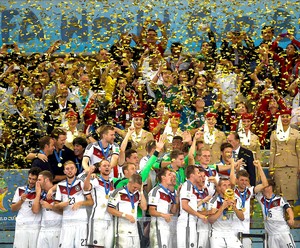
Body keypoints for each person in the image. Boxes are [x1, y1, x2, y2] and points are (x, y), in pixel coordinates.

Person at [54, 160, 94, 248]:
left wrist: (81, 203)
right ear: (64, 171)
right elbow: (55, 205)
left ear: (76, 170)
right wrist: (62, 204)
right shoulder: (60, 185)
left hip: (81, 222)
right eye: (67, 169)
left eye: (72, 168)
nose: (70, 170)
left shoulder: (81, 182)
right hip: (67, 223)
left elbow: (91, 201)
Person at [230, 160, 268, 248]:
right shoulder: (232, 191)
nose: (244, 182)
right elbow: (232, 182)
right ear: (237, 180)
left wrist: (259, 167)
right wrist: (232, 166)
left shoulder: (250, 191)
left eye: (246, 180)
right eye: (241, 180)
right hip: (232, 229)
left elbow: (265, 184)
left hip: (245, 229)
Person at [107, 174, 147, 248]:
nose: (135, 189)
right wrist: (125, 215)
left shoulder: (137, 193)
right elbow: (110, 209)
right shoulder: (118, 192)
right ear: (129, 182)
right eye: (134, 187)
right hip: (122, 231)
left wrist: (141, 191)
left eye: (137, 188)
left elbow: (144, 207)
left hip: (134, 231)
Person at [269, 108, 300, 202]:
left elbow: (299, 151)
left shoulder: (296, 133)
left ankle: (290, 215)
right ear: (279, 118)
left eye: (287, 116)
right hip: (278, 166)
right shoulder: (274, 134)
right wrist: (271, 167)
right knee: (280, 192)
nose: (285, 118)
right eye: (283, 117)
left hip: (293, 166)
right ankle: (281, 215)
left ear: (290, 117)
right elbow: (272, 151)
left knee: (291, 192)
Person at [256, 179, 296, 248]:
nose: (262, 188)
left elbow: (289, 209)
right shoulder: (260, 198)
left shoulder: (280, 199)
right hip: (271, 235)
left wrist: (291, 219)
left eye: (265, 186)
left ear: (270, 187)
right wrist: (259, 167)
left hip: (283, 232)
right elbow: (255, 188)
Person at [83, 160, 114, 248]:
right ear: (99, 169)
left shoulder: (112, 182)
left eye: (108, 165)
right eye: (104, 166)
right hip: (98, 218)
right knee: (98, 246)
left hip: (110, 218)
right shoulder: (96, 181)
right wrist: (89, 173)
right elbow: (86, 187)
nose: (107, 167)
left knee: (108, 246)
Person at [207, 178, 244, 248]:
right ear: (219, 187)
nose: (227, 187)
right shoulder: (213, 200)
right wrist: (222, 207)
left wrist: (235, 208)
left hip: (230, 233)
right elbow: (210, 220)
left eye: (229, 185)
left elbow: (242, 218)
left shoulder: (236, 199)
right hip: (217, 233)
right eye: (224, 185)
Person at [177, 165, 208, 248]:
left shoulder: (190, 186)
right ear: (192, 175)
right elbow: (184, 206)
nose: (199, 175)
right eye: (198, 173)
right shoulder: (187, 186)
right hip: (186, 222)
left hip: (191, 222)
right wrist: (199, 215)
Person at [11, 167, 42, 248]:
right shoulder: (20, 189)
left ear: (38, 179)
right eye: (29, 178)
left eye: (34, 179)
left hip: (36, 225)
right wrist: (21, 201)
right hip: (22, 226)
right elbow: (13, 208)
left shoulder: (42, 192)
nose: (31, 181)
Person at [148, 167, 179, 248]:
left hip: (167, 226)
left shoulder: (171, 192)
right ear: (163, 177)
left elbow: (173, 211)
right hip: (158, 227)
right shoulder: (156, 191)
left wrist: (177, 197)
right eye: (169, 175)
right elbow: (151, 211)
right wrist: (163, 215)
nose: (172, 177)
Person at [32, 170, 63, 248]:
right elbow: (35, 211)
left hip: (57, 229)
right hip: (43, 229)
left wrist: (50, 207)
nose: (37, 182)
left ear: (46, 180)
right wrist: (38, 193)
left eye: (39, 180)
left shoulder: (60, 190)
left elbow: (66, 212)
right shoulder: (41, 194)